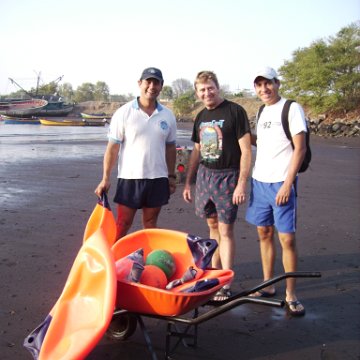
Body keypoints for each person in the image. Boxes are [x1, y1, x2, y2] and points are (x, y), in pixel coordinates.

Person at [183, 70, 252, 300]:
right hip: (205, 176)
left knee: (226, 230)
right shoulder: (201, 116)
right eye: (202, 89)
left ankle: (226, 282)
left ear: (217, 87)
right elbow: (197, 150)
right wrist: (188, 182)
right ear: (197, 93)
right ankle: (214, 274)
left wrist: (241, 183)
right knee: (212, 226)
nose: (207, 92)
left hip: (228, 177)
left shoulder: (235, 111)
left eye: (210, 88)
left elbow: (246, 150)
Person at [245, 66, 307, 316]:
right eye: (259, 85)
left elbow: (300, 149)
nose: (264, 89)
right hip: (259, 182)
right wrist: (238, 135)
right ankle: (268, 284)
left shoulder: (291, 108)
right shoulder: (261, 111)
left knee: (287, 238)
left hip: (282, 183)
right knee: (264, 233)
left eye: (267, 83)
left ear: (277, 83)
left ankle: (291, 293)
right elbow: (263, 142)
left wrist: (287, 183)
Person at [95, 67, 177, 239]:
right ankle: (113, 261)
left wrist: (171, 176)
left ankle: (149, 262)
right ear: (140, 83)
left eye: (156, 82)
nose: (152, 86)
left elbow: (170, 147)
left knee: (150, 225)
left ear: (161, 86)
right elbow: (113, 147)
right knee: (123, 224)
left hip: (158, 178)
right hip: (130, 178)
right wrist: (105, 178)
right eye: (148, 81)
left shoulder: (168, 115)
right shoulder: (124, 113)